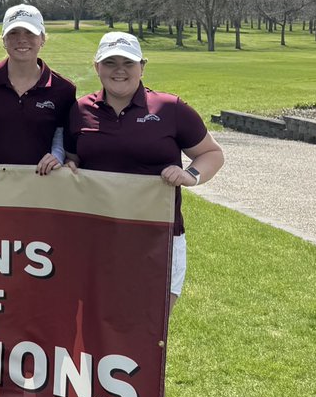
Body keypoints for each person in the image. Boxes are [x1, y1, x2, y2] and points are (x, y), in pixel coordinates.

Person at [65, 31, 224, 310]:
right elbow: (73, 158)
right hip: (96, 238)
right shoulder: (80, 110)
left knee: (148, 328)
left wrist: (191, 175)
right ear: (97, 67)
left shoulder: (169, 108)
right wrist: (70, 167)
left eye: (128, 63)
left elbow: (211, 153)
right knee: (94, 325)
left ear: (142, 66)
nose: (119, 71)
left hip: (157, 236)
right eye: (110, 62)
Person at [0, 4, 74, 173]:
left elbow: (60, 136)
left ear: (43, 39)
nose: (22, 39)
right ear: (3, 40)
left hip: (42, 182)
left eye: (30, 32)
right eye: (13, 33)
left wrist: (57, 156)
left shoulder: (64, 89)